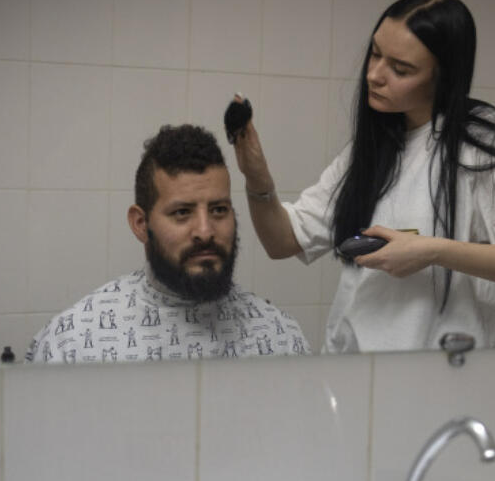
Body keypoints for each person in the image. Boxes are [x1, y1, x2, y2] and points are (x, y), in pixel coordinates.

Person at [231, 0, 495, 354]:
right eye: (375, 54)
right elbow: (282, 241)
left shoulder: (482, 140)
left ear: (443, 76)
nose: (374, 75)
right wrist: (257, 179)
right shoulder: (374, 147)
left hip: (441, 383)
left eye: (400, 68)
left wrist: (433, 251)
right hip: (352, 376)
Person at [25, 125, 311, 363]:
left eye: (219, 210)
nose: (205, 231)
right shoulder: (73, 343)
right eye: (182, 213)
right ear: (140, 224)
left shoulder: (278, 336)